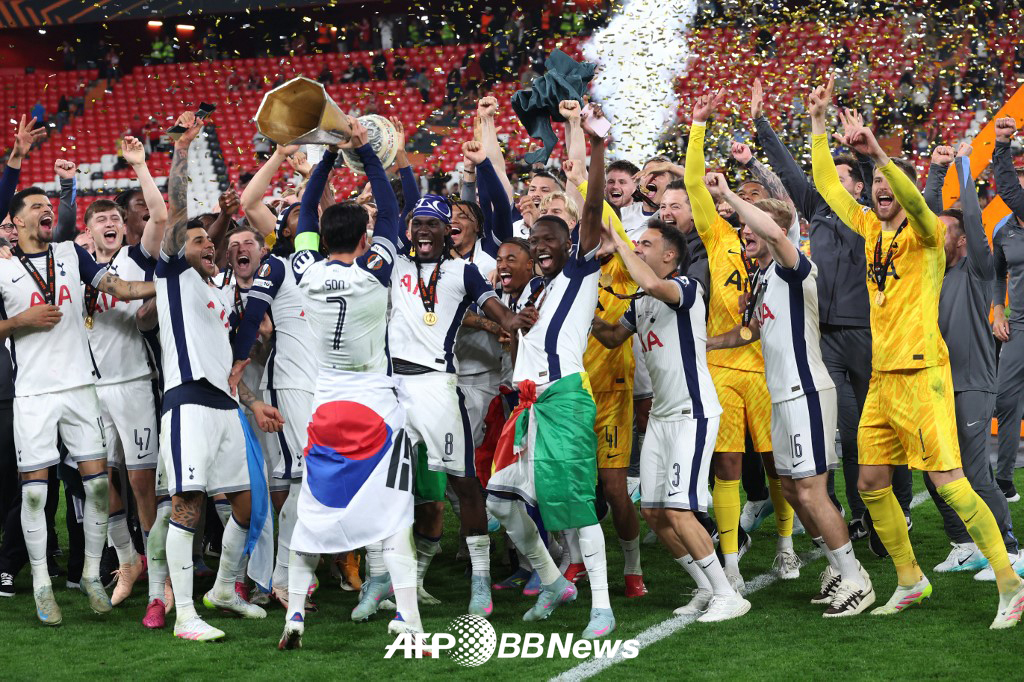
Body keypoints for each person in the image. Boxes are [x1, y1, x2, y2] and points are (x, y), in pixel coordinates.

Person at [809, 78, 1024, 628]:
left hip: (923, 373)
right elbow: (829, 187)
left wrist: (880, 155)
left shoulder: (926, 235)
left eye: (890, 183)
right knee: (869, 482)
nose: (882, 189)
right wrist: (817, 123)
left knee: (951, 483)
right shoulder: (868, 227)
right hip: (883, 378)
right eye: (876, 184)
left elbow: (913, 201)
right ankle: (910, 579)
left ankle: (1011, 583)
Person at [276, 118, 422, 649]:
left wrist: (328, 160)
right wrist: (367, 153)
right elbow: (392, 211)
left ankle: (294, 616)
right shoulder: (375, 271)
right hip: (375, 406)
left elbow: (305, 216)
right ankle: (408, 618)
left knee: (312, 514)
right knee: (395, 517)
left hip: (326, 407)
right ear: (364, 239)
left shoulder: (305, 270)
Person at [748, 78, 913, 541]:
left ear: (859, 186)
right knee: (846, 430)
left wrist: (864, 153)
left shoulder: (873, 216)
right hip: (826, 337)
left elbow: (883, 184)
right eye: (830, 178)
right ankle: (859, 514)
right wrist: (761, 123)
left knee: (882, 426)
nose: (832, 184)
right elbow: (787, 170)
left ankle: (900, 506)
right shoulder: (816, 207)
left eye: (842, 179)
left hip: (868, 333)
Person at [705, 176, 875, 616]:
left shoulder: (792, 265)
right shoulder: (763, 277)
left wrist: (728, 196)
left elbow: (777, 231)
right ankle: (838, 566)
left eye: (752, 227)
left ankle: (856, 579)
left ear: (775, 232)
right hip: (781, 396)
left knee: (812, 491)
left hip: (806, 392)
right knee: (795, 492)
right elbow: (750, 332)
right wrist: (706, 343)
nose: (745, 233)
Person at [1, 175, 158, 626]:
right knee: (35, 495)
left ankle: (91, 574)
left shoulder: (71, 253)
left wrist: (171, 285)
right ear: (16, 221)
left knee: (97, 486)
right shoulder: (2, 267)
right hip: (33, 394)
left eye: (48, 204)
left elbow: (120, 289)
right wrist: (20, 321)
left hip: (80, 388)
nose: (46, 209)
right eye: (36, 205)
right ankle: (42, 585)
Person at [154, 112, 283, 642]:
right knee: (188, 505)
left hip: (225, 406)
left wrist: (251, 401)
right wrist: (182, 149)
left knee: (247, 507)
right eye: (198, 242)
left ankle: (225, 589)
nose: (209, 246)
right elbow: (177, 213)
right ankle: (185, 614)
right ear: (179, 249)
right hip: (187, 404)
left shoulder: (220, 292)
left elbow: (228, 365)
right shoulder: (172, 274)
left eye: (213, 243)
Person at [487, 115, 616, 639]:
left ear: (569, 245)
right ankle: (553, 579)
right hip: (526, 404)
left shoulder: (580, 271)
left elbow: (591, 209)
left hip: (563, 400)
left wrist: (596, 149)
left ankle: (602, 607)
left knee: (575, 507)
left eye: (549, 240)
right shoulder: (532, 291)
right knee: (499, 499)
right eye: (534, 239)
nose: (539, 246)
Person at [591, 219, 750, 622]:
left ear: (670, 255)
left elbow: (653, 284)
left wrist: (619, 245)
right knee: (655, 512)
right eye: (636, 243)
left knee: (679, 511)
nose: (637, 248)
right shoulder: (640, 302)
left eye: (646, 244)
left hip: (692, 413)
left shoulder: (685, 287)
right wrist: (583, 310)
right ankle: (705, 586)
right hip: (662, 417)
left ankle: (728, 594)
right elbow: (611, 338)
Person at [685, 91, 795, 591]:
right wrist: (698, 127)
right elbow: (693, 184)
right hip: (725, 371)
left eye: (753, 203)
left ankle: (786, 547)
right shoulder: (720, 239)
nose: (744, 212)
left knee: (778, 465)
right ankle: (729, 560)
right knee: (727, 465)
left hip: (772, 368)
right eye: (740, 201)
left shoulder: (783, 254)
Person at [923, 142, 1023, 577]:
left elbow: (976, 227)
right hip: (935, 385)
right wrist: (935, 171)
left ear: (962, 240)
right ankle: (965, 545)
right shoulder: (929, 272)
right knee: (934, 473)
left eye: (945, 231)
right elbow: (922, 218)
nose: (935, 236)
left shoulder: (977, 270)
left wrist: (963, 167)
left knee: (976, 475)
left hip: (972, 384)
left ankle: (1010, 548)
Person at [82, 136, 169, 625]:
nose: (111, 222)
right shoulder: (78, 270)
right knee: (99, 482)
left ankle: (161, 579)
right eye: (101, 219)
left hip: (135, 382)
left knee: (141, 484)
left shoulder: (136, 258)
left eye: (115, 217)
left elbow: (158, 216)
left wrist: (139, 166)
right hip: (93, 390)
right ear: (89, 231)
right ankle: (128, 561)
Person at [991, 116, 1024, 503]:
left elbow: (1008, 188)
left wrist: (1001, 145)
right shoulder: (1004, 229)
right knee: (1005, 399)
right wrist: (998, 310)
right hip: (1020, 324)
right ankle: (1004, 478)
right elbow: (997, 275)